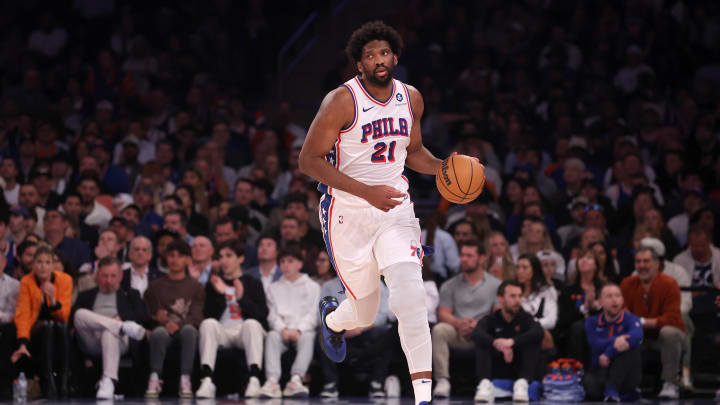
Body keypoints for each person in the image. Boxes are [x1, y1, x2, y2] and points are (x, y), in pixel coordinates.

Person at [300, 21, 462, 405]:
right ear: (359, 64)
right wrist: (364, 192)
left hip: (394, 207)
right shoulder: (341, 101)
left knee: (410, 296)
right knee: (365, 313)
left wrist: (443, 167)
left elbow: (413, 152)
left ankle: (424, 397)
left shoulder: (412, 98)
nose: (378, 60)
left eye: (384, 53)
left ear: (395, 56)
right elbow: (308, 160)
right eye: (370, 55)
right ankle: (332, 320)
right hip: (347, 211)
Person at [195, 239, 268, 399]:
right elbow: (209, 315)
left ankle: (254, 379)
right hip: (223, 332)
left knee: (252, 324)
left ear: (240, 258)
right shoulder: (213, 284)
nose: (224, 261)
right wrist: (220, 295)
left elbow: (261, 316)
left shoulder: (253, 283)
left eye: (229, 256)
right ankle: (207, 380)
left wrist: (241, 299)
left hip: (244, 331)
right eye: (221, 257)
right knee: (208, 324)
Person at [431, 241, 501, 398]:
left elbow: (498, 314)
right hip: (458, 331)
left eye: (469, 256)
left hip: (483, 333)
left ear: (482, 259)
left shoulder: (496, 285)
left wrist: (479, 326)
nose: (464, 259)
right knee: (439, 329)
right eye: (462, 255)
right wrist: (458, 323)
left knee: (493, 329)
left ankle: (485, 382)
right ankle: (442, 380)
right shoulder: (449, 285)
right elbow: (443, 312)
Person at [71, 256, 147, 399]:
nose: (109, 281)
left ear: (120, 276)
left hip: (118, 341)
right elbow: (72, 319)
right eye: (105, 276)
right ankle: (121, 327)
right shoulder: (86, 295)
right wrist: (119, 323)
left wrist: (122, 317)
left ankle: (108, 381)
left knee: (109, 332)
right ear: (97, 275)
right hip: (91, 340)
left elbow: (141, 315)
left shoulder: (130, 294)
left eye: (113, 276)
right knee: (79, 314)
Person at [621, 247, 685, 399]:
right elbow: (623, 315)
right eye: (638, 261)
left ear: (657, 264)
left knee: (668, 332)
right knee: (622, 333)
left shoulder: (670, 284)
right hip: (639, 337)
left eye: (646, 261)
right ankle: (629, 385)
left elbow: (672, 318)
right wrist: (637, 323)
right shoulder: (627, 283)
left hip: (665, 339)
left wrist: (641, 321)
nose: (642, 265)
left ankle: (670, 383)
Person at [143, 240, 205, 398]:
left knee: (190, 330)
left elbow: (197, 316)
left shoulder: (196, 287)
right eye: (171, 255)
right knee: (158, 333)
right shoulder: (155, 286)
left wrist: (178, 325)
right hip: (162, 330)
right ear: (166, 258)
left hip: (185, 331)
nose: (175, 260)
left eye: (180, 256)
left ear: (187, 260)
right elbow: (147, 314)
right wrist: (158, 319)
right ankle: (155, 377)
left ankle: (185, 378)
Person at [318, 275, 395, 398]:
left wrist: (361, 327)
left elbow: (384, 314)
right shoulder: (329, 286)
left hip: (366, 330)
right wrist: (342, 327)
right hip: (339, 331)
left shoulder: (377, 284)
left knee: (386, 331)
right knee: (323, 333)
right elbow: (323, 315)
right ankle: (330, 384)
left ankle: (377, 383)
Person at [258, 244, 319, 398]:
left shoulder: (312, 286)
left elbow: (312, 315)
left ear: (300, 263)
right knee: (272, 335)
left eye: (290, 261)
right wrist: (282, 329)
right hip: (282, 331)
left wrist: (299, 330)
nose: (286, 265)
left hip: (301, 331)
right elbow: (272, 315)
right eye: (283, 261)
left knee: (308, 336)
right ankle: (272, 382)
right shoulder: (273, 287)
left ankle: (296, 380)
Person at [11, 245, 73, 398]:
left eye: (47, 262)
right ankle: (48, 380)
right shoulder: (27, 281)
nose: (43, 266)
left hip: (59, 329)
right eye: (39, 262)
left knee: (61, 325)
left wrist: (52, 300)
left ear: (53, 265)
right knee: (48, 325)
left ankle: (64, 381)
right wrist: (23, 342)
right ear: (33, 265)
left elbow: (64, 315)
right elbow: (23, 314)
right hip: (36, 329)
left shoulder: (65, 280)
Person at [472, 281, 544, 403]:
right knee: (482, 342)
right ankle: (485, 384)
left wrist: (512, 342)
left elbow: (539, 332)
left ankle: (522, 384)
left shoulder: (525, 318)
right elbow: (477, 333)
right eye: (512, 296)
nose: (517, 300)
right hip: (497, 365)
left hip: (519, 366)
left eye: (519, 296)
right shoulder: (491, 318)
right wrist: (496, 343)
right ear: (501, 299)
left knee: (533, 340)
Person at [583, 283, 643, 401]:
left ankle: (613, 389)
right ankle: (623, 395)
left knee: (630, 346)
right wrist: (616, 340)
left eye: (617, 296)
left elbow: (637, 336)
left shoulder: (631, 319)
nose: (614, 300)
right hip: (601, 369)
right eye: (609, 296)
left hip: (625, 372)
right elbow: (595, 344)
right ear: (600, 302)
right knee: (590, 388)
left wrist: (609, 353)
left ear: (622, 300)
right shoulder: (591, 321)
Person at [0, 254, 19, 398]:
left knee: (9, 331)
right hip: (4, 322)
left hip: (8, 327)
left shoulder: (14, 285)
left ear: (4, 262)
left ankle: (7, 386)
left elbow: (15, 314)